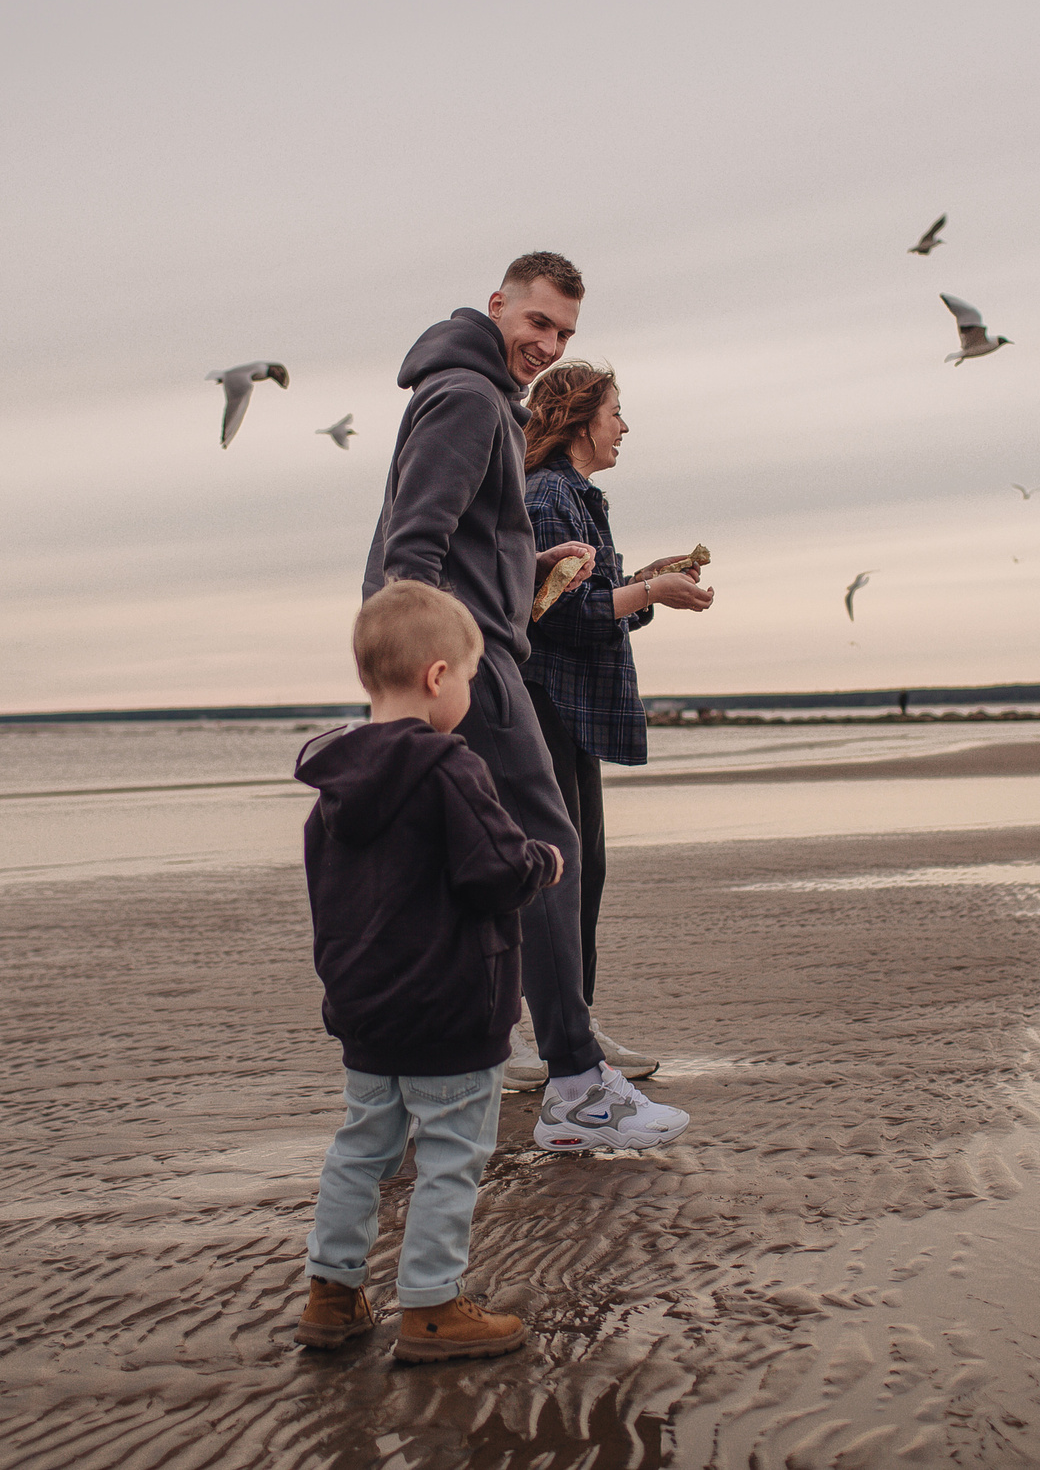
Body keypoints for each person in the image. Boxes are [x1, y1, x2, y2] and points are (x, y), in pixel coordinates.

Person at [362, 252, 692, 1154]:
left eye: (564, 333)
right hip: (468, 663)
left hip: (470, 649)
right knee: (549, 853)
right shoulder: (470, 398)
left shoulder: (477, 397)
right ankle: (575, 1085)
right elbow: (410, 546)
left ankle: (406, 1099)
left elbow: (459, 538)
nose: (547, 344)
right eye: (538, 322)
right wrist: (429, 673)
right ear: (498, 304)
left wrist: (527, 565)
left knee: (463, 872)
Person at [291, 582, 555, 1361]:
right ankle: (432, 1304)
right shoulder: (449, 768)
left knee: (361, 1147)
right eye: (469, 675)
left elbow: (329, 898)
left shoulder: (333, 789)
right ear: (438, 676)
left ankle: (332, 1291)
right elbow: (494, 869)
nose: (469, 690)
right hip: (451, 1008)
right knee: (451, 1154)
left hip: (367, 1010)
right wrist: (542, 860)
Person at [513, 362, 715, 1091]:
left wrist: (649, 581)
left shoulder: (576, 496)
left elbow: (595, 600)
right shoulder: (547, 495)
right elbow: (558, 615)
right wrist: (651, 589)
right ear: (579, 420)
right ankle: (526, 1035)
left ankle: (573, 1024)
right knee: (553, 873)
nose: (624, 426)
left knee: (582, 870)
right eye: (615, 412)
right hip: (547, 703)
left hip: (572, 706)